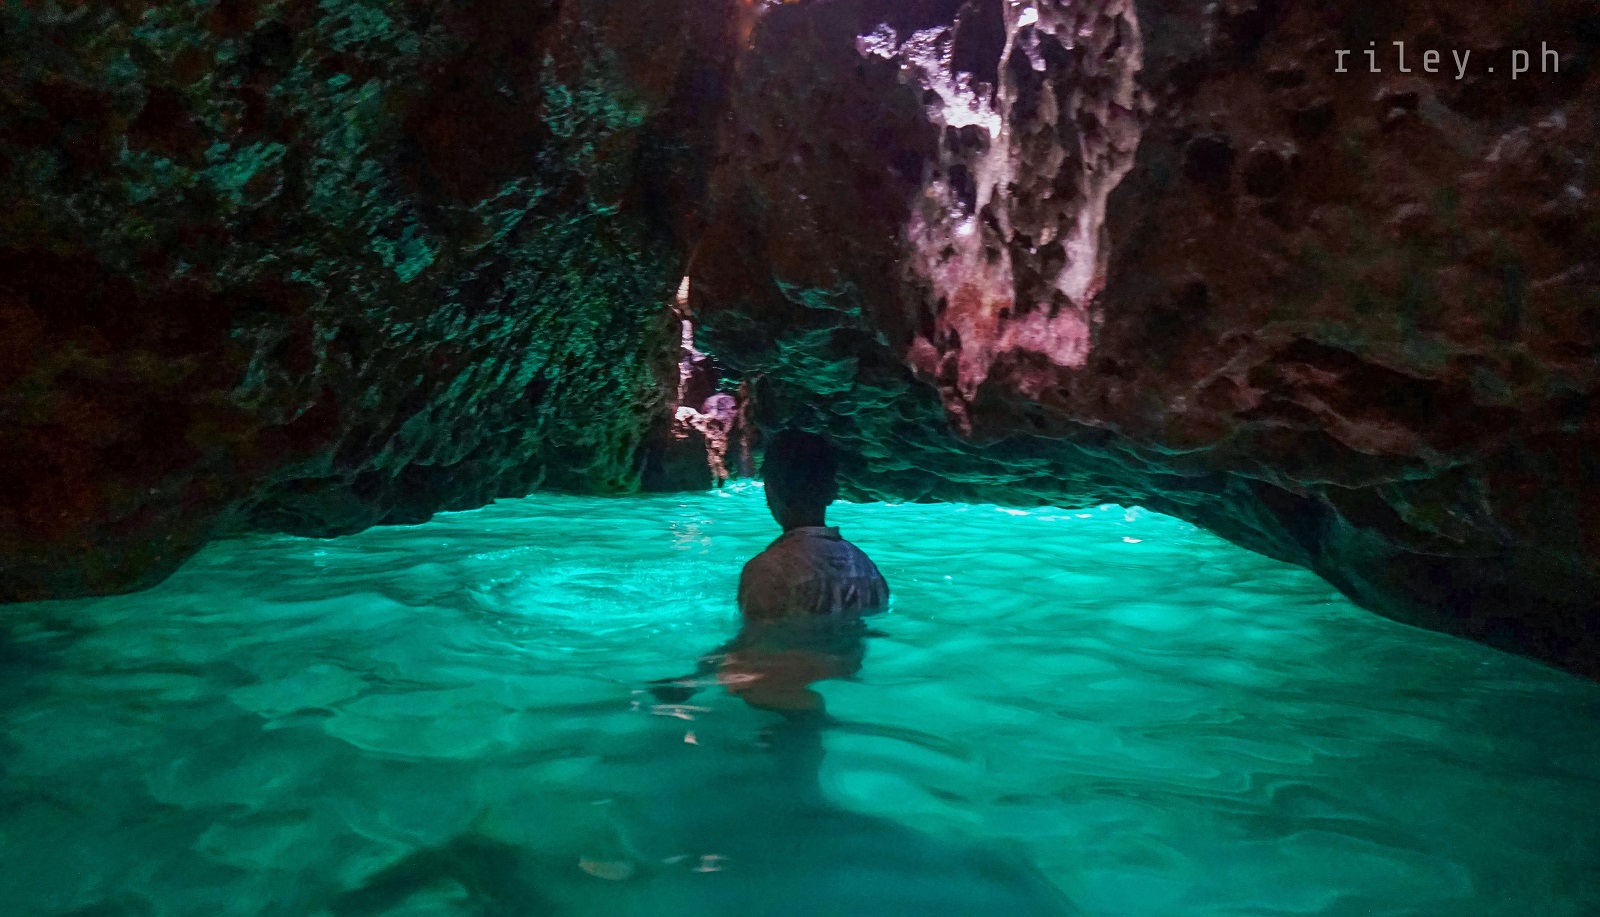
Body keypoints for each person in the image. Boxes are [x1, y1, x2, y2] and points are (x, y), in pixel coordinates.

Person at [651, 430, 889, 715]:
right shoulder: (867, 569)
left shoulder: (768, 570)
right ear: (831, 491)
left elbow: (753, 645)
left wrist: (694, 680)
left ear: (771, 491)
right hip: (845, 684)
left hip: (781, 696)